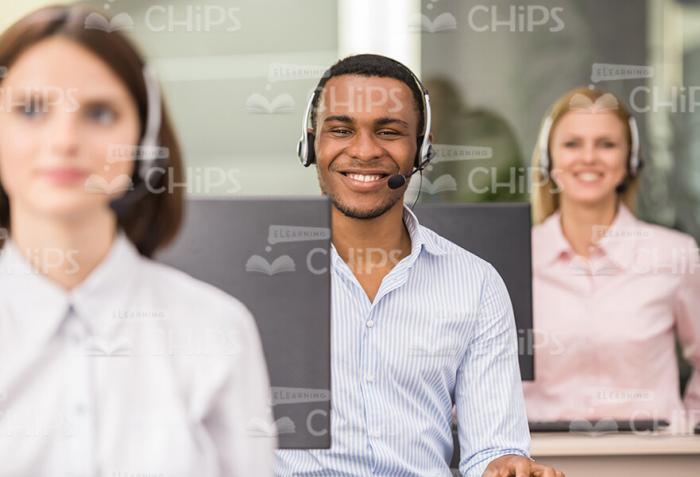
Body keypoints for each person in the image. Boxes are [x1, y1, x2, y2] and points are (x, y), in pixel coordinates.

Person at [0, 5, 275, 476]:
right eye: (30, 109)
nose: (64, 139)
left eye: (99, 112)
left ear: (144, 141)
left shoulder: (218, 329)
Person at [275, 54, 564, 477]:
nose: (364, 150)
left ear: (422, 150)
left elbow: (491, 449)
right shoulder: (258, 273)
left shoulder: (475, 283)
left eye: (389, 132)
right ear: (311, 141)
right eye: (341, 129)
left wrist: (506, 467)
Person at [524, 86, 700, 426]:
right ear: (549, 159)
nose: (589, 157)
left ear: (630, 160)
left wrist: (690, 426)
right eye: (572, 144)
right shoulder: (514, 257)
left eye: (607, 144)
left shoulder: (674, 253)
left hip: (649, 461)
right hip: (542, 461)